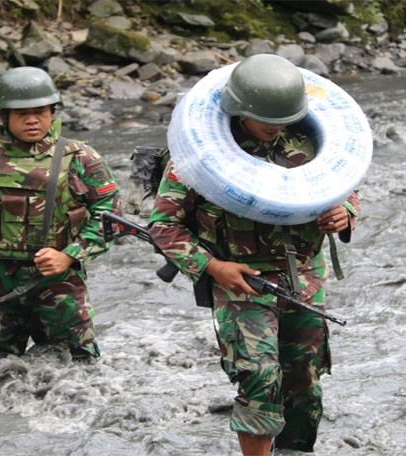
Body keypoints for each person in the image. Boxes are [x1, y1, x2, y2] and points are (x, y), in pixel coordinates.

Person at [148, 54, 361, 455]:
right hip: (241, 283)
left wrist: (345, 213)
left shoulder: (311, 144)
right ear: (239, 110)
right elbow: (163, 226)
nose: (274, 126)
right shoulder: (199, 157)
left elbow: (346, 187)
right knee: (259, 379)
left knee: (305, 382)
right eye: (265, 118)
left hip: (304, 280)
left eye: (283, 118)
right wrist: (212, 266)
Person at [0, 66, 122, 362]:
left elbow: (110, 214)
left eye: (40, 111)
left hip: (58, 282)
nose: (32, 120)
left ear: (52, 111)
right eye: (22, 113)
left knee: (74, 368)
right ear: (4, 115)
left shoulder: (80, 157)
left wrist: (71, 255)